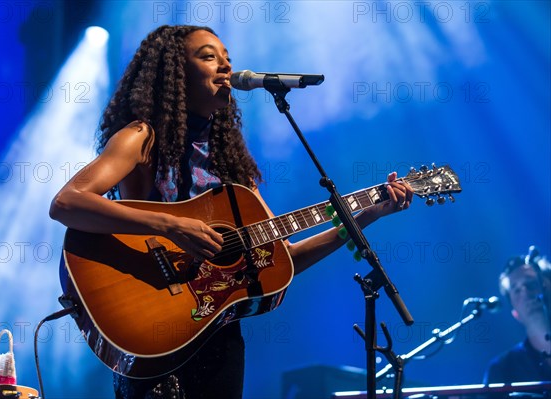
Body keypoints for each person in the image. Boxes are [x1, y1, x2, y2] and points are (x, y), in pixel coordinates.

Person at [49, 25, 414, 399]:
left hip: (220, 340)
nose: (225, 68)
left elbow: (283, 259)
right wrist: (171, 225)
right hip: (153, 327)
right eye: (208, 57)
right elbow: (68, 202)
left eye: (228, 60)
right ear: (174, 72)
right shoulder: (142, 137)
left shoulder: (231, 165)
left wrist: (365, 216)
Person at [483, 246, 551, 383]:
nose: (526, 293)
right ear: (515, 313)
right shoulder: (502, 369)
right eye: (517, 291)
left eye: (532, 283)